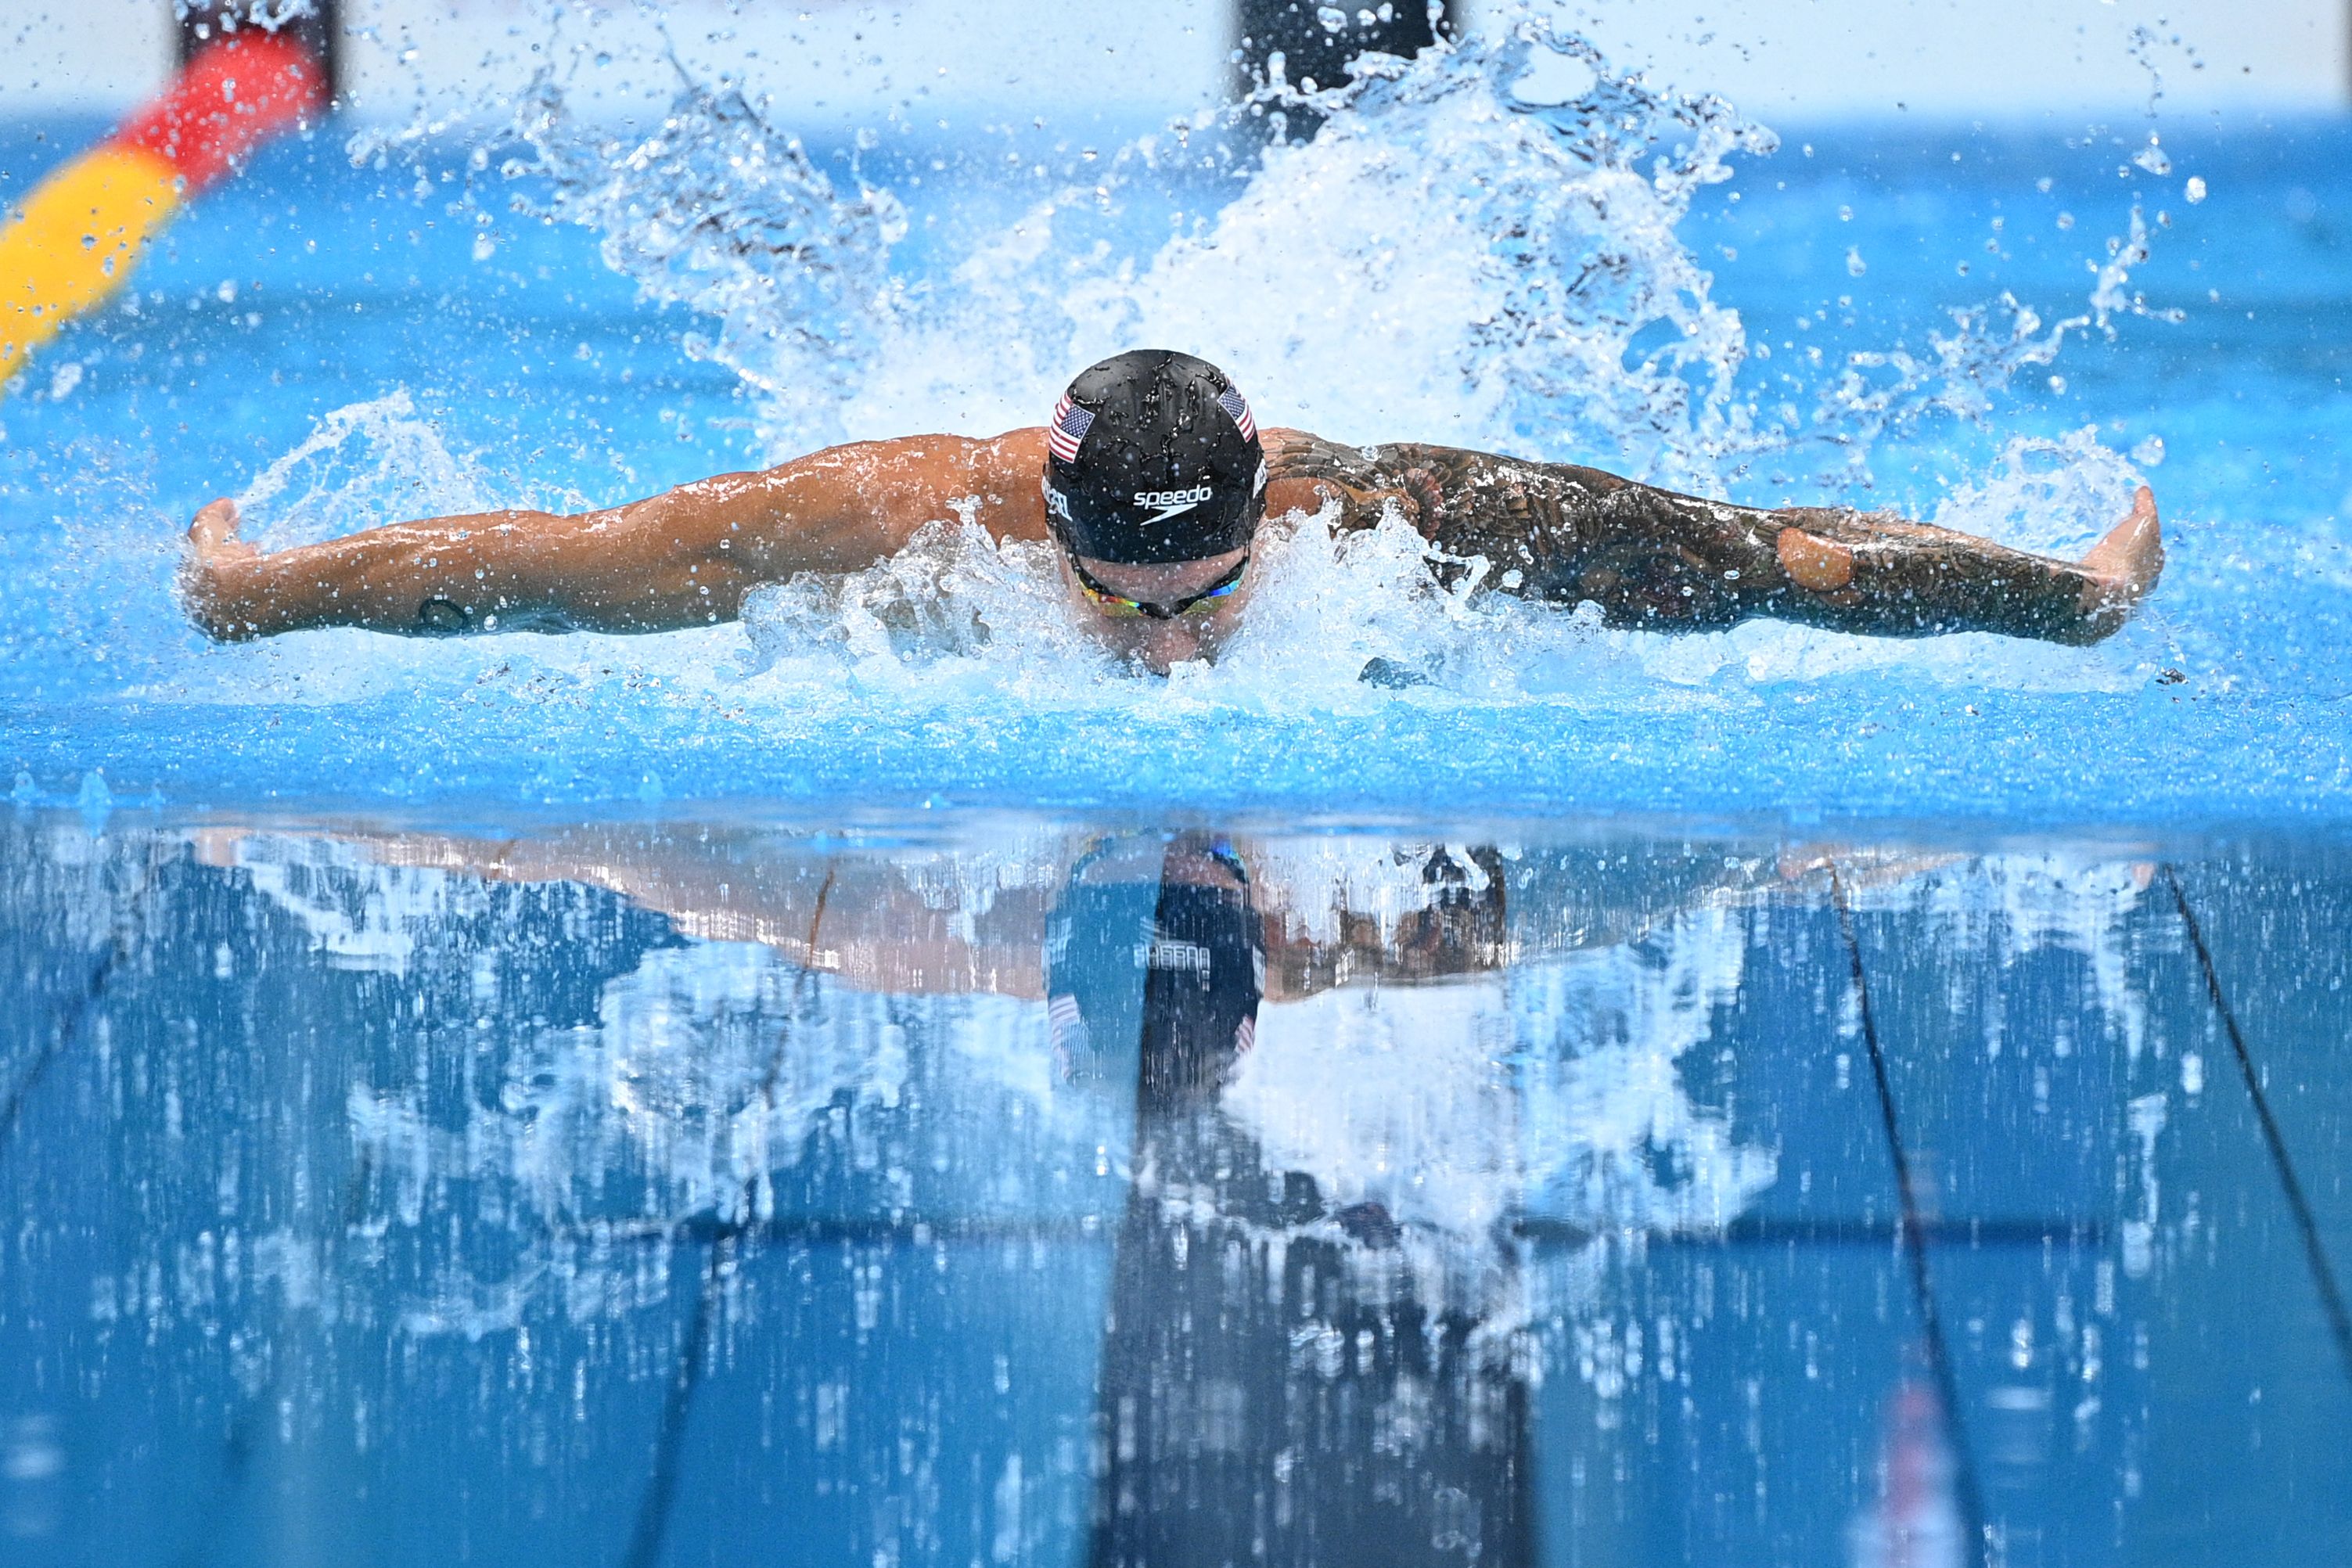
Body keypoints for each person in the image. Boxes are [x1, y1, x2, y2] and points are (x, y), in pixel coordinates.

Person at [181, 348, 2164, 674]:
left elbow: (1777, 559)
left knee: (1710, 583)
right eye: (1121, 604)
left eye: (1201, 600)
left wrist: (2060, 600)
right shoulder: (890, 518)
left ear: (1265, 503)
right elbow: (536, 564)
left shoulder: (1401, 522)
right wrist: (258, 600)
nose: (1165, 649)